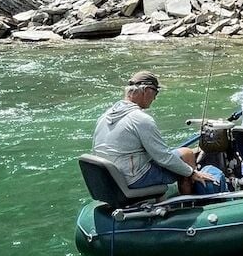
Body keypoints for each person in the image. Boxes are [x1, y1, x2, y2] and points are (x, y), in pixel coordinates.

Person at [93, 71, 223, 196]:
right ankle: (188, 204)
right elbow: (163, 158)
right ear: (146, 90)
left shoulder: (104, 116)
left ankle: (160, 198)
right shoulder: (140, 119)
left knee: (182, 154)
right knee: (187, 155)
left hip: (111, 179)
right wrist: (192, 173)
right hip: (134, 179)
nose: (155, 98)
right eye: (156, 92)